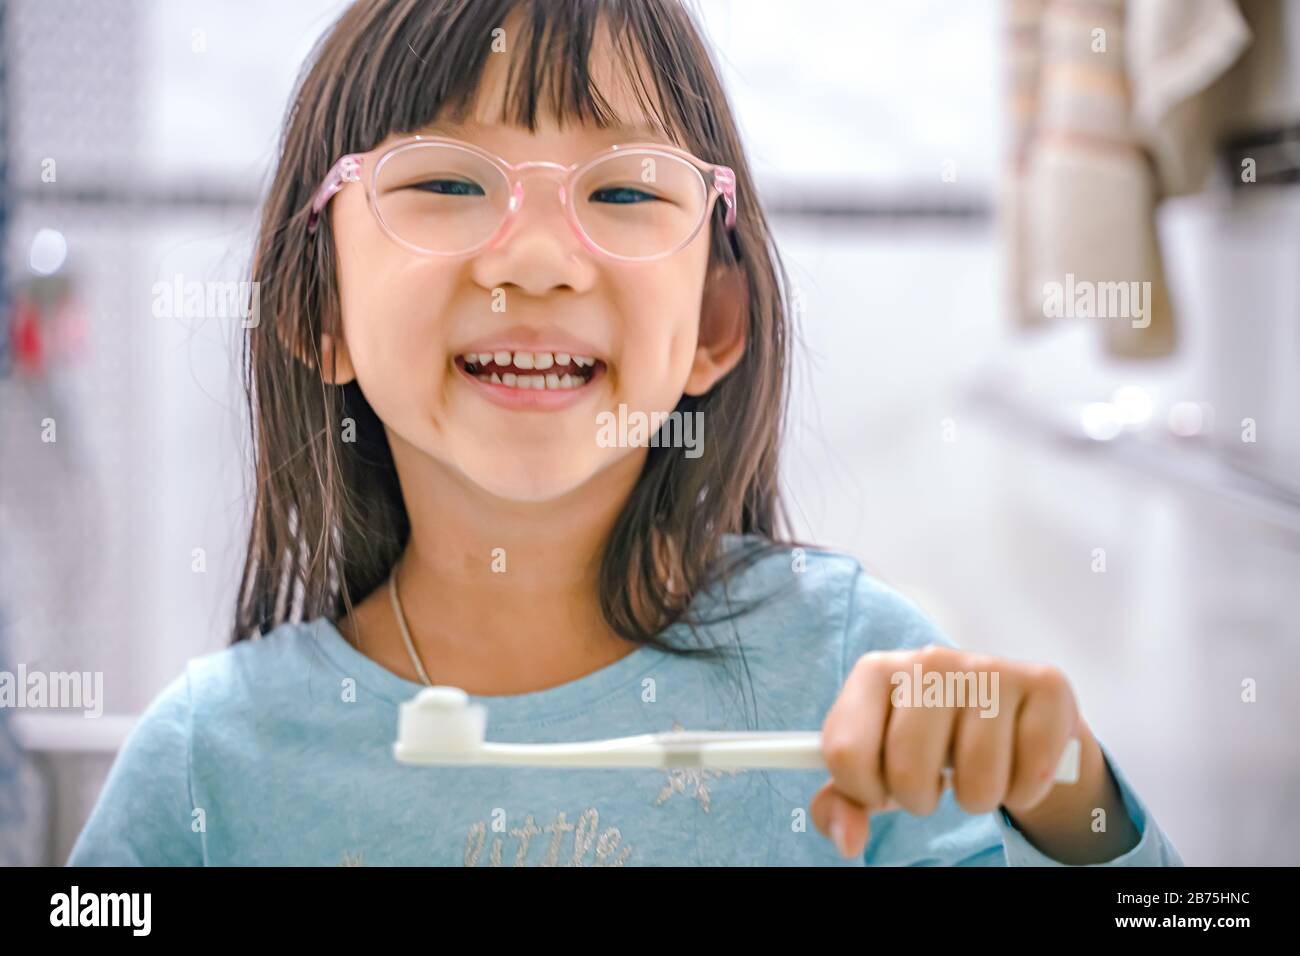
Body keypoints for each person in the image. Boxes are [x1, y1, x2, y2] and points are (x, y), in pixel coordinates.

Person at [68, 0, 1181, 867]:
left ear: (714, 320)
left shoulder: (857, 678)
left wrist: (1065, 789)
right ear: (319, 312)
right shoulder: (206, 765)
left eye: (623, 193)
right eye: (447, 180)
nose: (538, 258)